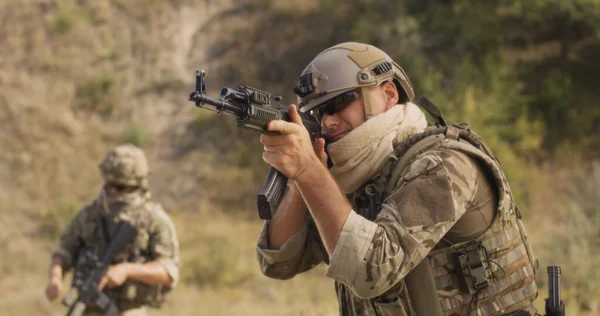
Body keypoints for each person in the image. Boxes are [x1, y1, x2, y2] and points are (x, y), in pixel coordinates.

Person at [256, 42, 539, 316]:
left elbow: (371, 270)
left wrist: (310, 171)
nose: (328, 121)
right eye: (318, 113)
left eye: (339, 103)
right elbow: (279, 263)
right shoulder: (352, 178)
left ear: (390, 93)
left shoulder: (445, 164)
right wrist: (299, 180)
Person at [45, 144, 180, 315]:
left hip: (128, 310)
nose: (113, 191)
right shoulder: (90, 215)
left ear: (139, 184)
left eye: (121, 187)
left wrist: (127, 270)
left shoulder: (153, 220)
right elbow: (64, 251)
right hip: (88, 308)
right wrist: (56, 279)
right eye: (109, 185)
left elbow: (169, 270)